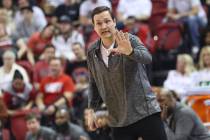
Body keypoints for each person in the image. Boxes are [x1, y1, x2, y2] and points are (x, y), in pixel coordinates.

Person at [86, 6, 167, 140]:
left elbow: (147, 58)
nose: (104, 26)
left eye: (107, 21)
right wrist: (91, 110)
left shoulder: (129, 39)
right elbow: (93, 81)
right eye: (99, 23)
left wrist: (130, 52)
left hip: (145, 112)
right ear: (94, 27)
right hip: (118, 119)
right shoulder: (92, 51)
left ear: (114, 21)